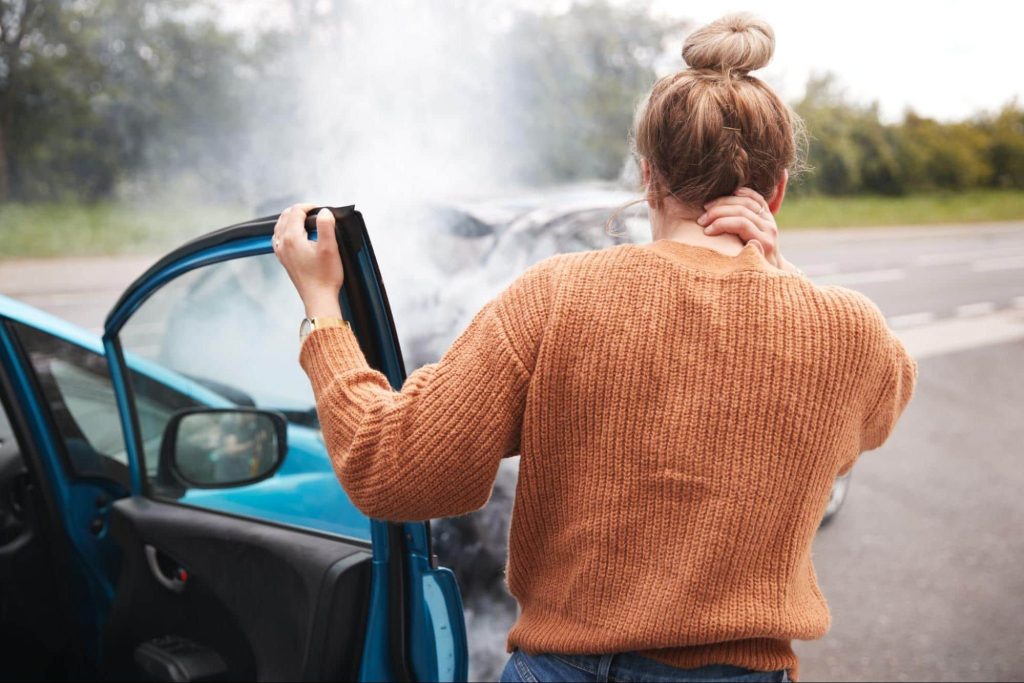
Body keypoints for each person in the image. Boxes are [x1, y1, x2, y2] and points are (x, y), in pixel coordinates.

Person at [273, 13, 916, 683]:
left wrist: (324, 312)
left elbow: (391, 468)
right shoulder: (848, 329)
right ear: (777, 189)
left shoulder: (556, 295)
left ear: (648, 177)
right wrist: (778, 273)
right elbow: (882, 403)